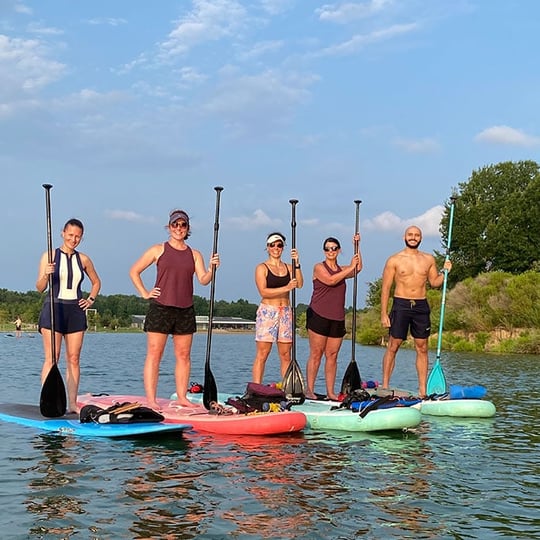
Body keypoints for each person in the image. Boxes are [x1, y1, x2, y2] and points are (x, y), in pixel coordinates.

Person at [130, 209, 220, 410]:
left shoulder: (194, 254)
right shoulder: (158, 249)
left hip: (185, 309)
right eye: (175, 225)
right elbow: (134, 271)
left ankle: (182, 397)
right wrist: (145, 292)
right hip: (160, 308)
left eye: (183, 225)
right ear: (169, 227)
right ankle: (151, 400)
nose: (179, 228)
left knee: (183, 355)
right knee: (154, 353)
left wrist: (212, 269)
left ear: (188, 228)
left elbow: (203, 280)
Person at [36, 218, 101, 413]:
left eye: (78, 236)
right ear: (63, 233)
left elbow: (96, 282)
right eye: (70, 235)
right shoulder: (49, 255)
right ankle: (48, 401)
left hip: (75, 312)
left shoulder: (84, 260)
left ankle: (72, 403)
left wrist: (90, 299)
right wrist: (46, 274)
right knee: (52, 358)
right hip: (54, 310)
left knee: (73, 359)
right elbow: (39, 288)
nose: (74, 239)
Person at [380, 225, 452, 397]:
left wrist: (446, 271)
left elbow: (434, 282)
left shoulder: (428, 259)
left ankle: (422, 390)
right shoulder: (394, 260)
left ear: (421, 238)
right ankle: (384, 386)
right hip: (401, 304)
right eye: (410, 235)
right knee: (393, 345)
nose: (413, 237)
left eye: (417, 235)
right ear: (405, 237)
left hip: (421, 306)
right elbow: (386, 288)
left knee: (422, 347)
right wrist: (384, 313)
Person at [304, 235, 362, 400]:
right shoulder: (319, 267)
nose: (331, 251)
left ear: (338, 250)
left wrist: (357, 246)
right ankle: (310, 389)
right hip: (318, 315)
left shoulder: (343, 269)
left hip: (337, 317)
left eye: (334, 248)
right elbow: (330, 280)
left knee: (332, 355)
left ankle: (330, 392)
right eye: (328, 248)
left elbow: (357, 268)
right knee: (316, 353)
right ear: (324, 251)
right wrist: (349, 268)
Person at [251, 232, 303, 383]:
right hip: (268, 311)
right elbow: (263, 291)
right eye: (272, 245)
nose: (276, 248)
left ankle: (288, 388)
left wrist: (297, 263)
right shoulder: (262, 268)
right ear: (267, 247)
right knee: (263, 353)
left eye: (279, 245)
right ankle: (256, 387)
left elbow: (299, 284)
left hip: (286, 312)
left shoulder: (288, 267)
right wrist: (286, 287)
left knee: (286, 354)